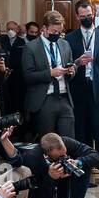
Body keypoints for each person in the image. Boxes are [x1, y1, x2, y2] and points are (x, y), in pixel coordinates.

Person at [66, 0, 99, 186]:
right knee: (82, 135)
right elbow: (66, 67)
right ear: (77, 16)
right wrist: (77, 63)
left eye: (90, 15)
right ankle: (85, 173)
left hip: (98, 91)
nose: (87, 18)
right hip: (78, 92)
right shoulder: (69, 39)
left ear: (93, 14)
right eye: (83, 16)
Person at [20, 132, 99, 198]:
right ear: (47, 156)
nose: (64, 158)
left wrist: (78, 162)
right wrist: (50, 177)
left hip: (60, 193)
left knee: (84, 167)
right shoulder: (33, 158)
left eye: (65, 155)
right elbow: (33, 192)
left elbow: (95, 155)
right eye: (60, 157)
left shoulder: (66, 143)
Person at [23, 10, 76, 138]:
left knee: (69, 140)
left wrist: (71, 71)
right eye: (54, 32)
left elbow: (71, 65)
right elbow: (27, 76)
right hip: (44, 99)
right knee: (48, 142)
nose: (57, 34)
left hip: (64, 98)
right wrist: (50, 73)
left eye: (60, 32)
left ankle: (67, 159)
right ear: (44, 29)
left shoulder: (65, 45)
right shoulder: (31, 47)